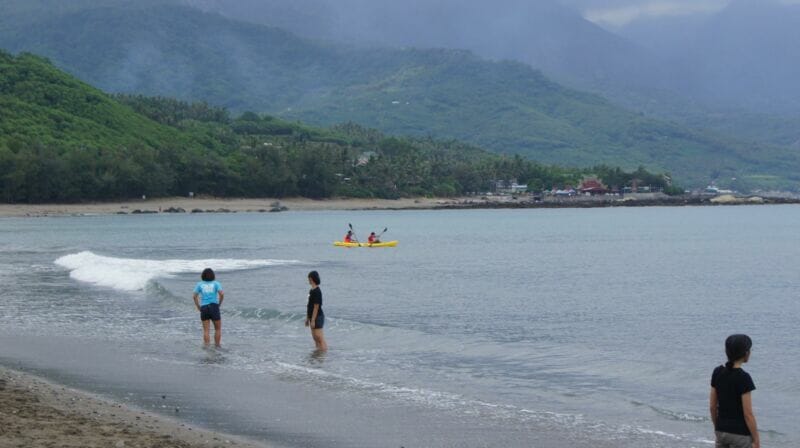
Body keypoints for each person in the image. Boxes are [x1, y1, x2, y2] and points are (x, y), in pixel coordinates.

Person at [709, 334, 760, 448]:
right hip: (740, 435)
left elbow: (712, 406)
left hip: (721, 431)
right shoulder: (744, 377)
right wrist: (756, 439)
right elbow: (748, 414)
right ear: (746, 353)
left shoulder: (717, 372)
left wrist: (717, 427)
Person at [193, 268, 224, 347]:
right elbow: (222, 294)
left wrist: (198, 306)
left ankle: (207, 347)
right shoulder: (216, 283)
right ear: (213, 275)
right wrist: (219, 303)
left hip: (204, 307)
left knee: (206, 330)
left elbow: (194, 296)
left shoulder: (199, 284)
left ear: (203, 276)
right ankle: (217, 346)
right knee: (217, 329)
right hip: (214, 306)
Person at [305, 270, 328, 351]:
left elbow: (316, 306)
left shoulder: (317, 291)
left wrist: (313, 320)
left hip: (317, 316)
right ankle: (318, 355)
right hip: (311, 316)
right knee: (315, 338)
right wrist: (307, 318)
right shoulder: (311, 290)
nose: (308, 280)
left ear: (312, 279)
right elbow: (309, 305)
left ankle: (324, 355)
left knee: (319, 338)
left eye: (309, 278)